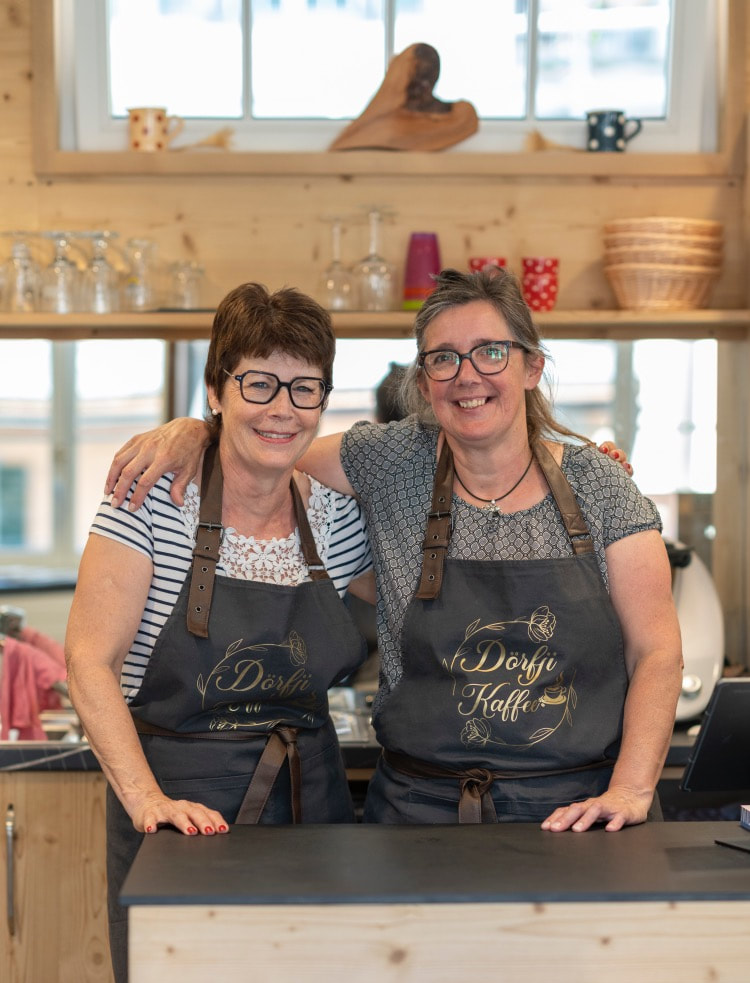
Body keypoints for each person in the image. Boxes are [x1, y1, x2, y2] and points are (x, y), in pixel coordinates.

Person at [105, 268, 679, 835]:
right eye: (443, 358)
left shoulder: (601, 486)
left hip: (577, 815)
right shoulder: (391, 462)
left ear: (532, 366)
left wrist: (630, 789)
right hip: (419, 816)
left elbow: (656, 652)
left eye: (491, 353)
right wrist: (197, 430)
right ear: (425, 381)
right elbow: (275, 440)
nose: (467, 375)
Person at [64, 282, 374, 983]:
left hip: (311, 811)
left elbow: (432, 581)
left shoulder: (335, 517)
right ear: (216, 389)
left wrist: (568, 464)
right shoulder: (150, 501)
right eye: (259, 382)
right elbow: (89, 661)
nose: (282, 408)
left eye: (305, 389)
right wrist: (146, 801)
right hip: (181, 818)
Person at [329, 42, 479, 152]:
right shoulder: (378, 128)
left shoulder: (460, 114)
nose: (421, 88)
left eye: (427, 78)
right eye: (415, 81)